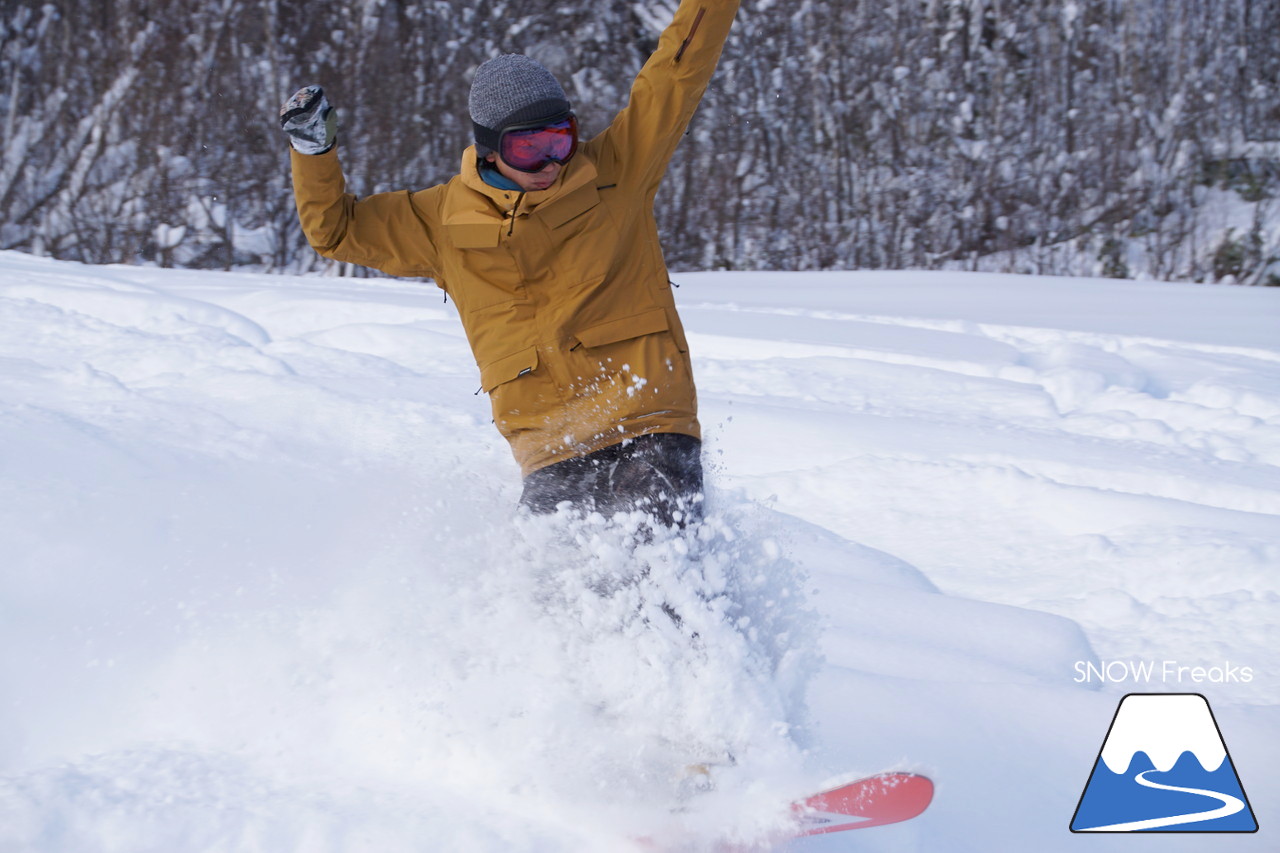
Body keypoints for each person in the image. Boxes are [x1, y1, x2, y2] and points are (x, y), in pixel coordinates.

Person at [281, 0, 739, 529]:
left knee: (662, 578)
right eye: (529, 149)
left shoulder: (618, 172)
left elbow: (678, 72)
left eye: (560, 140)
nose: (550, 163)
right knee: (551, 594)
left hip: (648, 420)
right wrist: (314, 153)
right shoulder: (440, 223)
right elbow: (335, 231)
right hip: (549, 447)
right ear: (492, 150)